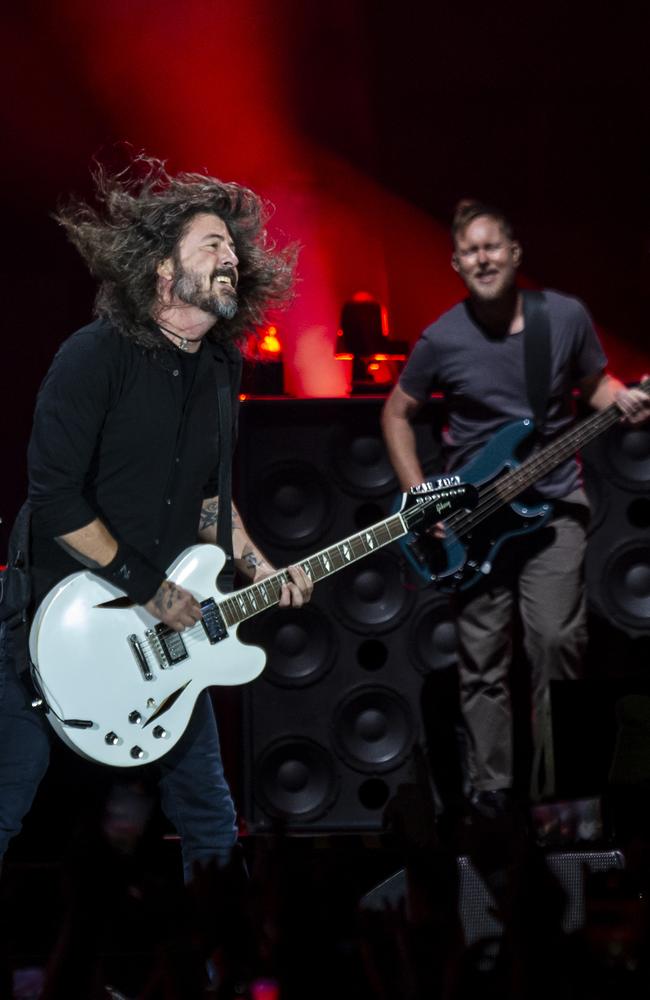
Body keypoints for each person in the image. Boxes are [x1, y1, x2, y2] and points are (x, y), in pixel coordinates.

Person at [0, 154, 312, 880]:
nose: (230, 255)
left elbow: (210, 501)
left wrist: (263, 569)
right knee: (6, 798)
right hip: (53, 616)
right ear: (163, 270)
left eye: (234, 248)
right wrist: (153, 589)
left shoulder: (220, 371)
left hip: (160, 637)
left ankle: (220, 970)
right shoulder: (94, 355)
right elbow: (54, 495)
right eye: (212, 244)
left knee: (209, 813)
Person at [381, 199, 650, 814]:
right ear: (454, 263)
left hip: (553, 507)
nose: (482, 258)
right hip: (472, 522)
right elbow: (396, 412)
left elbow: (595, 386)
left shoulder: (565, 317)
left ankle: (563, 792)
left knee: (556, 641)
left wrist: (625, 401)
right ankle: (493, 793)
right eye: (470, 251)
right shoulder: (441, 339)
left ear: (515, 253)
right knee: (481, 658)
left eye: (492, 246)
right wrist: (424, 497)